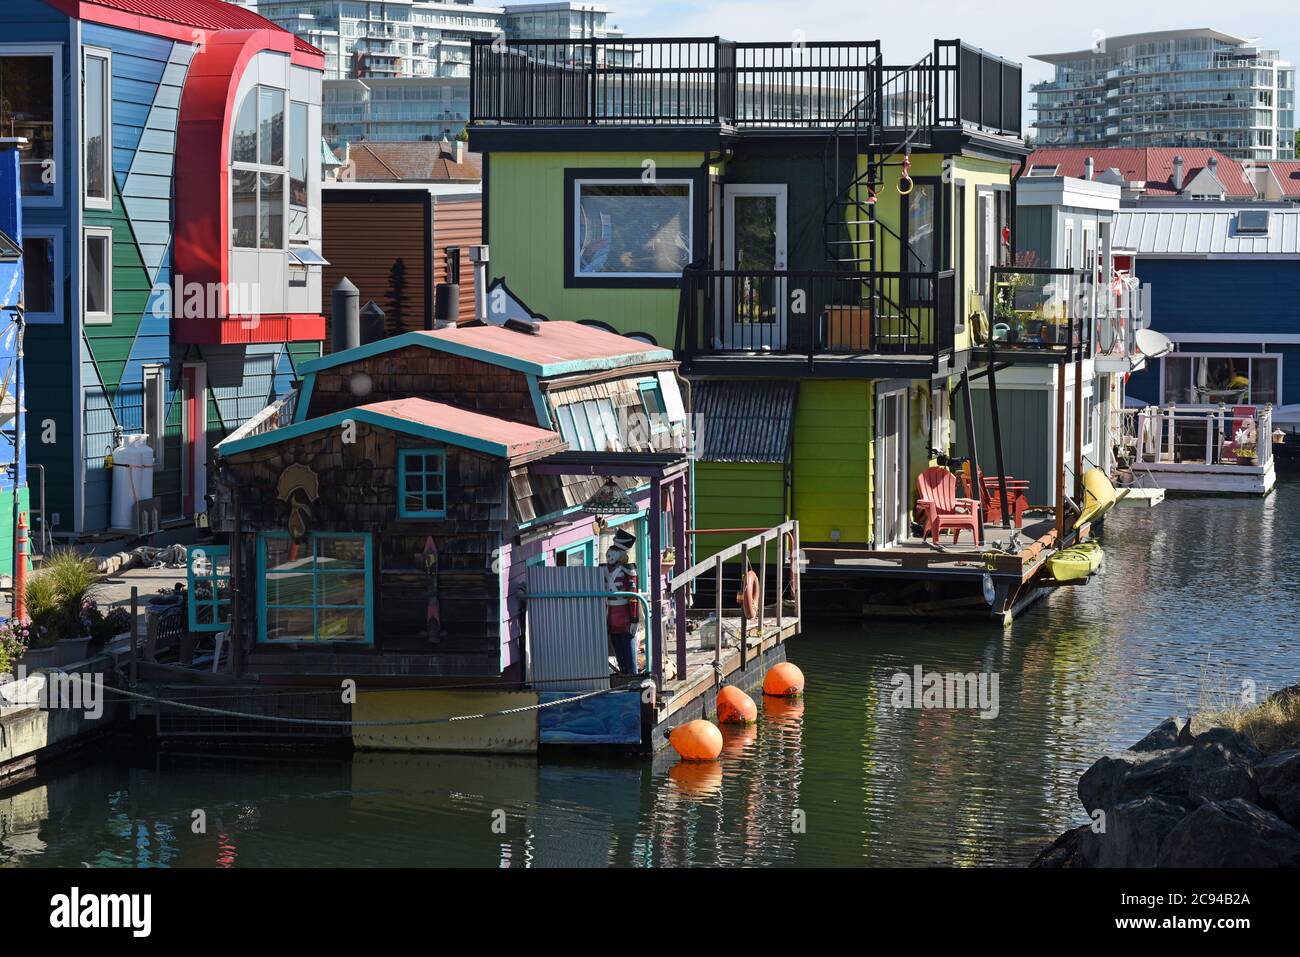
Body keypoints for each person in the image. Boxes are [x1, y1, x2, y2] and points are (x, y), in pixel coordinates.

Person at [603, 528, 640, 674]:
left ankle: (632, 675)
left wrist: (634, 618)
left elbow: (633, 596)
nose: (610, 554)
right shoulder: (605, 570)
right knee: (618, 649)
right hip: (611, 616)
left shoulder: (629, 570)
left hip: (625, 617)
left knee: (628, 649)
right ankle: (624, 674)